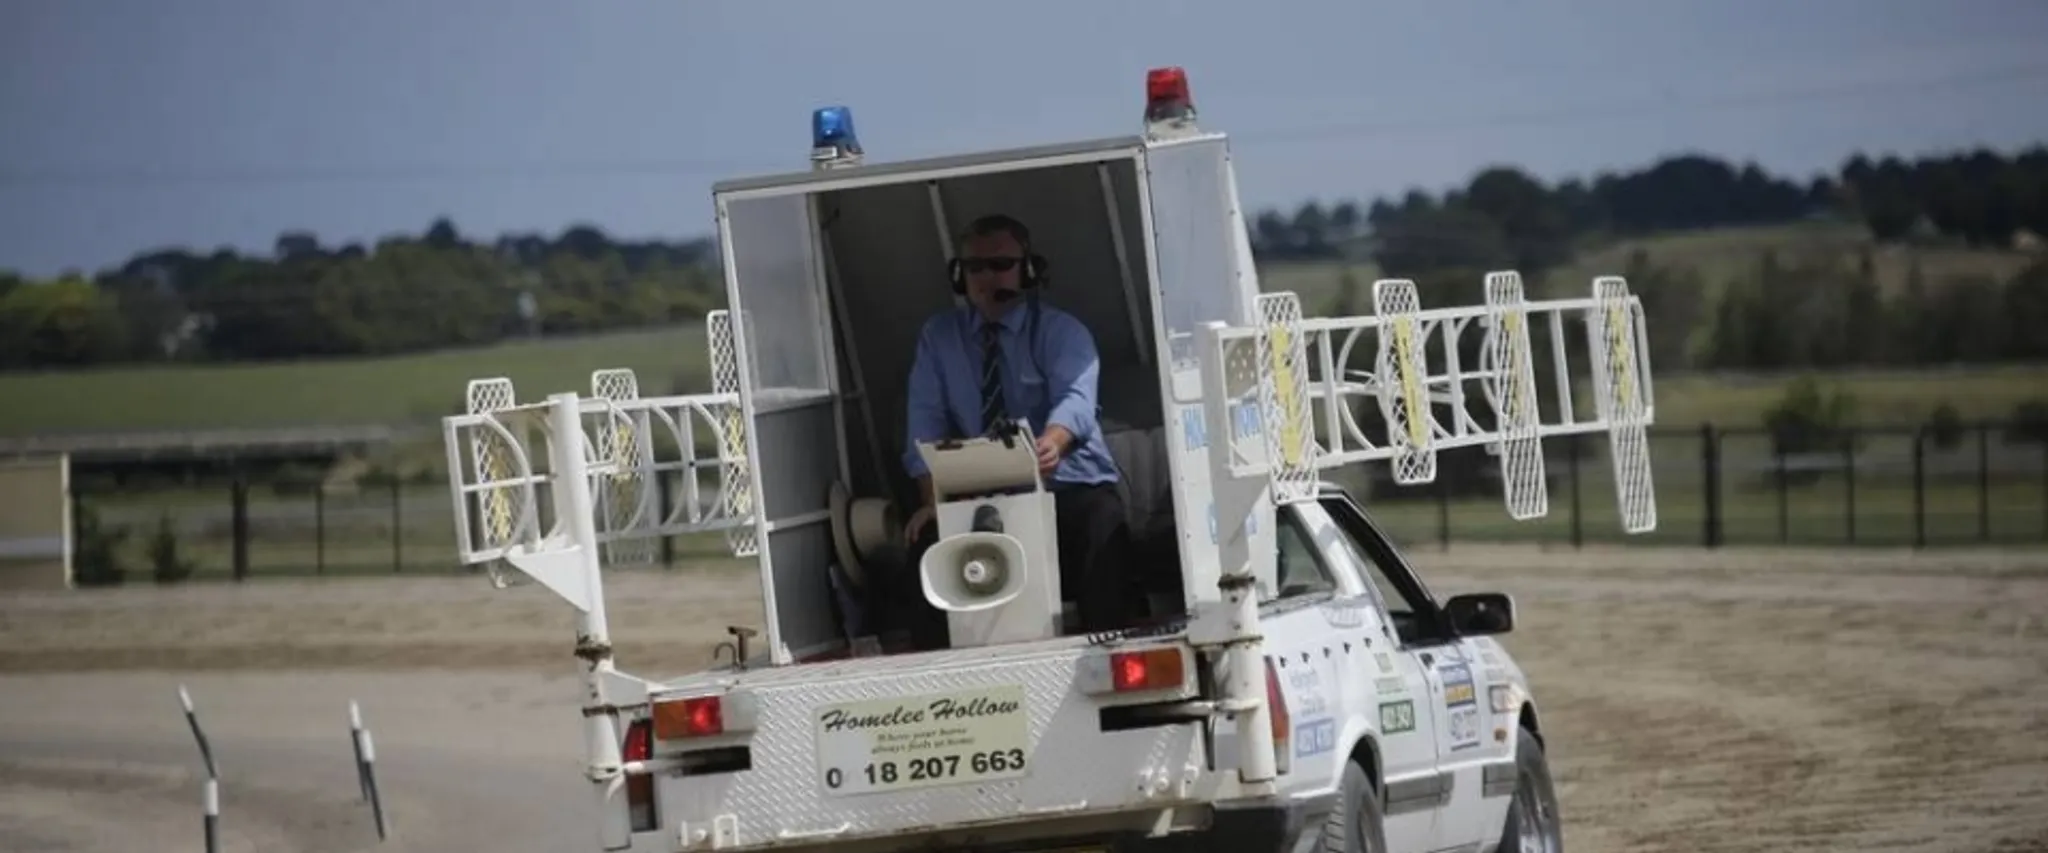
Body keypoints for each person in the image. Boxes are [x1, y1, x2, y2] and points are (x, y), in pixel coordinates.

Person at [889, 213, 1133, 650]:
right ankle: (932, 667)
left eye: (1001, 265)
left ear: (1029, 270)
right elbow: (923, 425)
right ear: (960, 275)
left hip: (1068, 486)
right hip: (983, 496)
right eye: (975, 267)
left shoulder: (1061, 331)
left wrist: (1052, 442)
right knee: (926, 543)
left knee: (1101, 522)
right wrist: (932, 503)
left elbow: (1077, 400)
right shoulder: (939, 337)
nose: (988, 278)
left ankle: (1113, 648)